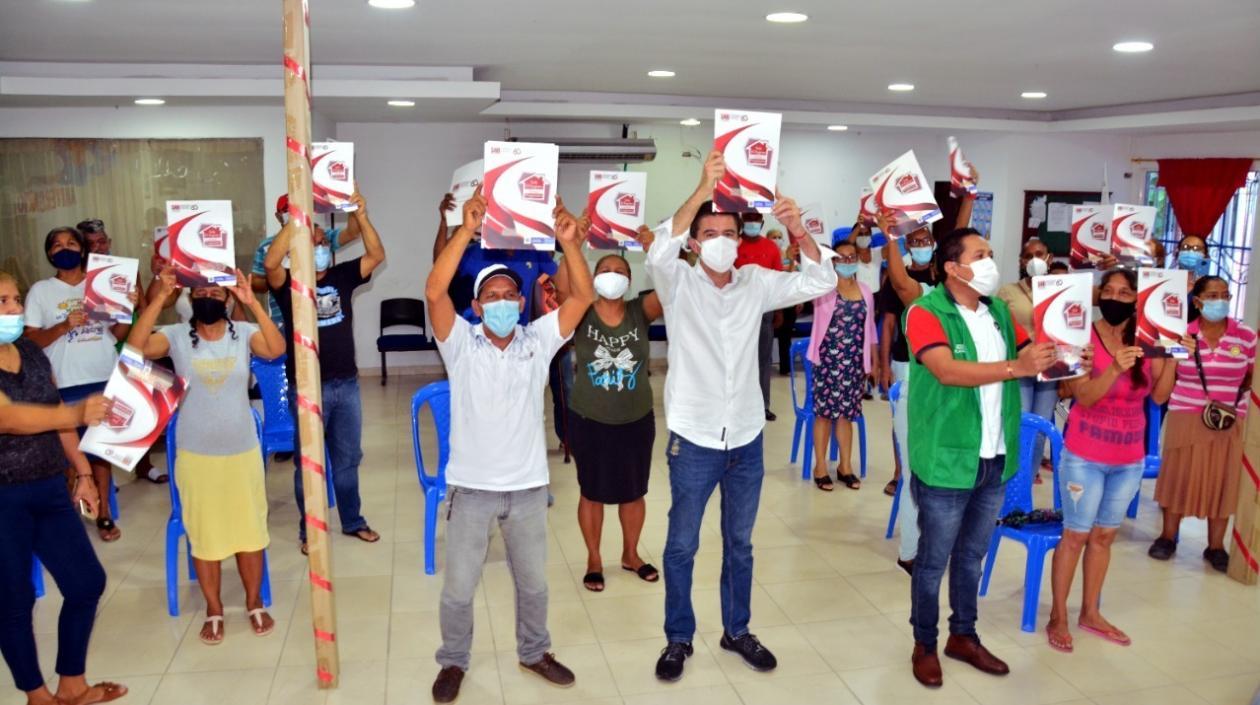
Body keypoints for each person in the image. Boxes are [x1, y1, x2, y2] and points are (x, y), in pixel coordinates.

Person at [645, 151, 836, 683]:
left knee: (741, 544)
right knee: (681, 544)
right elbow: (659, 250)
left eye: (729, 232)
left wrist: (797, 229)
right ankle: (678, 637)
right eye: (710, 233)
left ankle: (737, 629)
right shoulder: (677, 283)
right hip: (694, 436)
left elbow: (820, 281)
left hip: (747, 437)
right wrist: (701, 187)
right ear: (694, 242)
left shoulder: (755, 280)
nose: (722, 240)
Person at [424, 187, 593, 703]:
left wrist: (570, 243)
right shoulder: (460, 344)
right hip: (471, 489)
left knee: (534, 584)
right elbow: (434, 292)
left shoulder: (538, 341)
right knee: (458, 589)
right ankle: (453, 661)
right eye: (490, 296)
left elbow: (581, 299)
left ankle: (534, 652)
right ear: (477, 306)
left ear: (521, 304)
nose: (501, 302)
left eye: (508, 295)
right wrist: (464, 230)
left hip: (527, 489)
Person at [902, 227, 1057, 688]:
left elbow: (1032, 353)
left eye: (991, 252)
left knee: (972, 555)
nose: (990, 261)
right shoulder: (926, 312)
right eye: (980, 254)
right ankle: (924, 643)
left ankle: (963, 636)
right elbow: (946, 370)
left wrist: (1067, 355)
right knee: (933, 560)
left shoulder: (999, 313)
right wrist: (1016, 368)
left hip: (994, 455)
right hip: (947, 458)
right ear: (953, 268)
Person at [127, 266, 285, 644]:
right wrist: (159, 300)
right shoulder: (176, 336)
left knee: (249, 531)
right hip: (196, 454)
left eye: (217, 293)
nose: (209, 297)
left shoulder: (243, 333)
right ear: (190, 298)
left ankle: (253, 602)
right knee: (205, 532)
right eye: (201, 292)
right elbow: (133, 351)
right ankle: (214, 608)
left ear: (228, 300)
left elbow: (277, 349)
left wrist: (252, 303)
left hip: (242, 451)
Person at [0, 271, 125, 705]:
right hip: (4, 499)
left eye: (16, 299)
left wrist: (84, 473)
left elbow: (53, 409)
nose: (15, 309)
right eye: (3, 302)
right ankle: (37, 697)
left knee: (86, 582)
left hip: (50, 487)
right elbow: (8, 417)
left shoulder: (31, 353)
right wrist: (75, 413)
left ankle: (72, 684)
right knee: (14, 600)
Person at [1047, 269, 1177, 652]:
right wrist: (1116, 368)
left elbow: (1159, 397)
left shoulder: (1147, 339)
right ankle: (1058, 615)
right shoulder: (1078, 336)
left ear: (1137, 299)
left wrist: (1172, 355)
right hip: (1084, 454)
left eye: (1124, 292)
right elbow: (1083, 397)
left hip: (1129, 458)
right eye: (1109, 290)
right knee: (1075, 535)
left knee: (1104, 536)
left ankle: (1090, 612)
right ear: (1099, 294)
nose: (1115, 298)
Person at [265, 191, 385, 554]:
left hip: (346, 385)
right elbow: (270, 263)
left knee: (348, 459)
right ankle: (310, 530)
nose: (319, 246)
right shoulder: (289, 283)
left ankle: (353, 521)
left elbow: (376, 255)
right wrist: (295, 222)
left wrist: (362, 214)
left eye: (321, 241)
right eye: (312, 241)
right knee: (309, 464)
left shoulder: (342, 275)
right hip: (307, 389)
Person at [553, 243, 663, 591]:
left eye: (620, 272)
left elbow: (670, 285)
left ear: (630, 280)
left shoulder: (640, 310)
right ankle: (594, 559)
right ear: (593, 277)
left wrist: (657, 249)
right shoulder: (581, 310)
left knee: (634, 491)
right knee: (592, 491)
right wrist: (571, 244)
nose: (612, 276)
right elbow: (562, 287)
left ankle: (631, 554)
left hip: (636, 418)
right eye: (605, 271)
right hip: (590, 418)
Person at [24, 226, 132, 542]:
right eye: (57, 245)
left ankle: (104, 514)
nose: (65, 249)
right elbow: (31, 340)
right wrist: (62, 326)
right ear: (49, 254)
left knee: (101, 452)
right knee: (68, 456)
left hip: (103, 376)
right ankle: (70, 516)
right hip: (64, 381)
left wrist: (128, 309)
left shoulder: (100, 283)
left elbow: (117, 335)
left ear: (83, 250)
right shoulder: (41, 291)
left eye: (71, 243)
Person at [1149, 276, 1256, 570]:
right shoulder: (1182, 335)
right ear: (1197, 302)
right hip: (1185, 415)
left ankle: (1216, 546)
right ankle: (1167, 537)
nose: (1219, 301)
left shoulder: (1245, 337)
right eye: (1212, 295)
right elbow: (1162, 387)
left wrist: (1232, 399)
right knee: (1178, 477)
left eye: (1225, 295)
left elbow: (1251, 375)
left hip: (1229, 420)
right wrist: (1176, 354)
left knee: (1222, 480)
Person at [877, 224, 939, 569]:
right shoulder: (911, 288)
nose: (921, 246)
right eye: (914, 242)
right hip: (910, 371)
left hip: (941, 378)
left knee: (935, 469)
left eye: (925, 241)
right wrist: (883, 364)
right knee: (914, 467)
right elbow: (891, 315)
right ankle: (911, 550)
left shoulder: (946, 281)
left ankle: (933, 540)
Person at [807, 240, 878, 491]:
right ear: (833, 261)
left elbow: (871, 329)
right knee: (824, 415)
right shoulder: (823, 289)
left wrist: (873, 363)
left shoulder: (866, 291)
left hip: (854, 364)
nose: (848, 262)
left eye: (852, 257)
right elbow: (811, 270)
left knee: (847, 415)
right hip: (827, 362)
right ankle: (820, 467)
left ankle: (845, 467)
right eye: (841, 258)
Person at [251, 194, 359, 332]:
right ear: (278, 216)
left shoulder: (319, 237)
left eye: (298, 210)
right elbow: (255, 282)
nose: (295, 214)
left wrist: (352, 206)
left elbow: (352, 233)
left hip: (319, 314)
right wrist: (276, 279)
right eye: (289, 211)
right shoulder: (267, 246)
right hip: (282, 319)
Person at [996, 238, 1058, 480]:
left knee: (1040, 428)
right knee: (1020, 424)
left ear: (1049, 258)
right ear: (1021, 261)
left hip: (1051, 368)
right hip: (1020, 367)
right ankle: (1014, 478)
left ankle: (1029, 478)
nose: (1034, 260)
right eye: (1028, 255)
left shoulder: (1061, 289)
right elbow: (997, 327)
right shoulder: (1008, 291)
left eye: (1039, 254)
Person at [734, 210, 783, 421]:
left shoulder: (771, 247)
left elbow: (778, 280)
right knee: (739, 360)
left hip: (765, 311)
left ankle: (763, 406)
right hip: (737, 311)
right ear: (742, 221)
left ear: (762, 222)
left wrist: (779, 311)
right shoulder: (732, 245)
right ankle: (739, 407)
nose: (753, 223)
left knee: (764, 360)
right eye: (748, 219)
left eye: (756, 220)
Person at [771, 235, 803, 376]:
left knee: (785, 336)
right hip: (772, 301)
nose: (777, 239)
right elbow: (781, 280)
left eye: (779, 237)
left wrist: (799, 300)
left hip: (789, 301)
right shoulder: (771, 258)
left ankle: (786, 368)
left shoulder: (791, 258)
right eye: (774, 237)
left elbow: (795, 280)